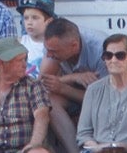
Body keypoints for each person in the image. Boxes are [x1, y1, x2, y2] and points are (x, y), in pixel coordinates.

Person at [37, 17, 107, 153]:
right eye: (47, 50)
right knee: (47, 99)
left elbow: (104, 99)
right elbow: (41, 85)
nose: (49, 55)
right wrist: (73, 77)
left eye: (54, 51)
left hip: (105, 100)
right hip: (79, 96)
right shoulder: (53, 45)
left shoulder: (102, 50)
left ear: (74, 46)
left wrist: (62, 87)